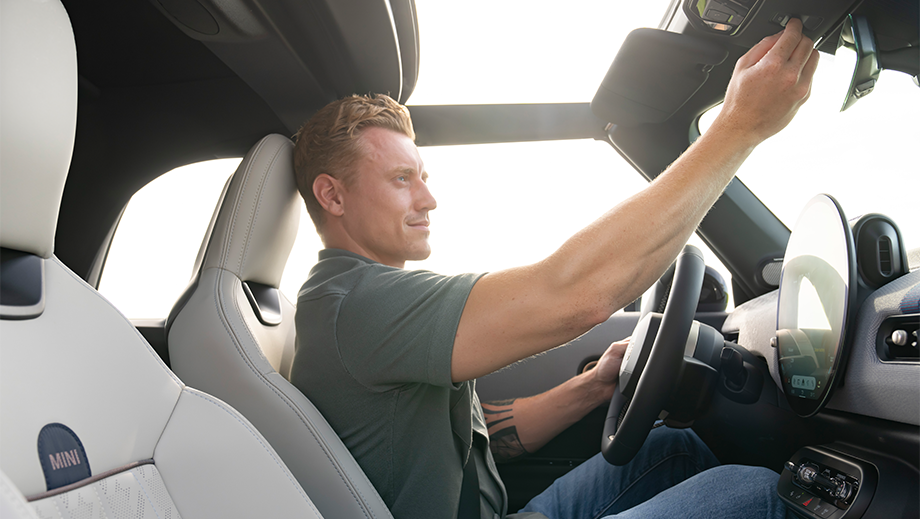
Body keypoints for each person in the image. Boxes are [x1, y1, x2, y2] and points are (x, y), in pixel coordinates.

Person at [290, 19, 818, 519]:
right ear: (332, 196)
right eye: (403, 178)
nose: (429, 198)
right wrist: (738, 125)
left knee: (673, 448)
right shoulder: (358, 304)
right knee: (754, 497)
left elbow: (485, 437)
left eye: (422, 175)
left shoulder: (361, 301)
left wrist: (592, 387)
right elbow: (575, 293)